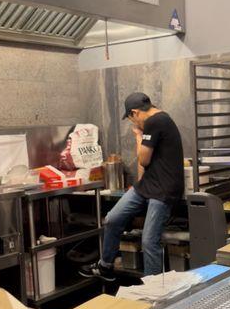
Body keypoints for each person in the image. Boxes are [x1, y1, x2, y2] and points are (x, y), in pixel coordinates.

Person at [79, 92, 184, 280]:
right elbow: (144, 166)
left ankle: (153, 291)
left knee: (149, 241)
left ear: (134, 113)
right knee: (112, 219)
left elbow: (144, 159)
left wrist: (138, 136)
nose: (133, 124)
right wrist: (137, 186)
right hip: (148, 185)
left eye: (131, 119)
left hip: (164, 190)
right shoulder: (158, 121)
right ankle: (106, 267)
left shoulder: (155, 121)